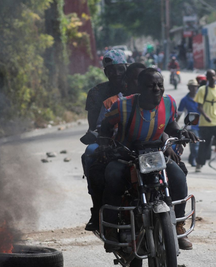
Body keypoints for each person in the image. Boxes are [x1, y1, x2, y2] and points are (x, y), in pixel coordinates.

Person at [97, 68, 198, 250]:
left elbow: (171, 123)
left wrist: (181, 131)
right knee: (112, 175)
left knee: (178, 177)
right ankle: (111, 229)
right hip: (127, 155)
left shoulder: (169, 103)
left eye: (160, 85)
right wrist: (105, 144)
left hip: (155, 154)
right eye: (151, 86)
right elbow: (105, 126)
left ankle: (178, 225)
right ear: (140, 87)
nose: (157, 89)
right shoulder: (122, 106)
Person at [83, 63, 146, 231]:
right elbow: (101, 127)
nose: (116, 74)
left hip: (149, 152)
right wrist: (104, 140)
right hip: (120, 148)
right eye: (111, 70)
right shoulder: (113, 102)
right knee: (97, 162)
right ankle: (100, 212)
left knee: (176, 171)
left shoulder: (158, 100)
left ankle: (177, 222)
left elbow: (168, 126)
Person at [84, 49, 127, 133]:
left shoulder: (135, 89)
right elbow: (93, 126)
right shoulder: (95, 92)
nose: (117, 73)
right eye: (111, 70)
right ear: (105, 72)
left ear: (127, 69)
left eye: (120, 69)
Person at [177, 79, 200, 166]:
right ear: (189, 88)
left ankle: (192, 158)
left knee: (200, 145)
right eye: (192, 87)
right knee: (195, 145)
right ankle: (194, 159)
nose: (194, 89)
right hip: (191, 126)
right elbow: (179, 114)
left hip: (202, 124)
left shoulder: (200, 98)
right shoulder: (184, 100)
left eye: (195, 87)